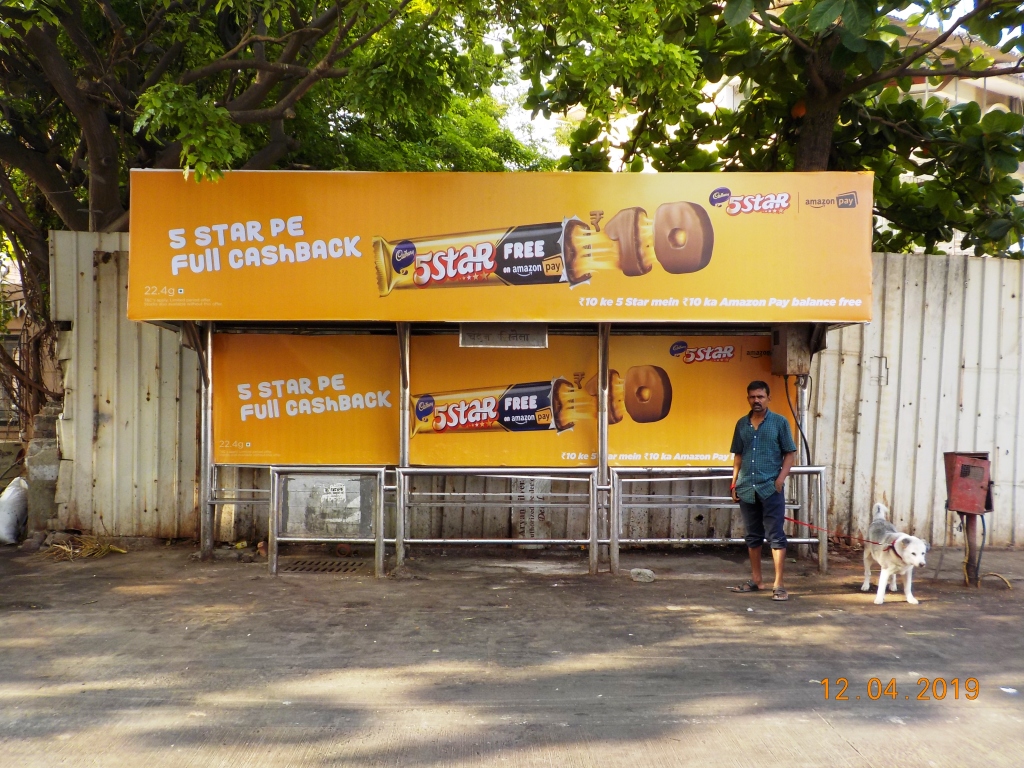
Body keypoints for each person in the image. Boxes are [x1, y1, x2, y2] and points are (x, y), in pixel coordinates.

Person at [728, 380, 797, 601]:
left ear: (768, 398)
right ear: (747, 398)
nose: (756, 401)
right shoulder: (741, 424)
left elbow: (789, 453)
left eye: (760, 397)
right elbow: (738, 455)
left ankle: (779, 584)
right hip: (747, 487)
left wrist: (780, 480)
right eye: (752, 397)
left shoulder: (779, 422)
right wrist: (734, 482)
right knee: (752, 536)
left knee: (776, 535)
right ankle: (756, 580)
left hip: (770, 487)